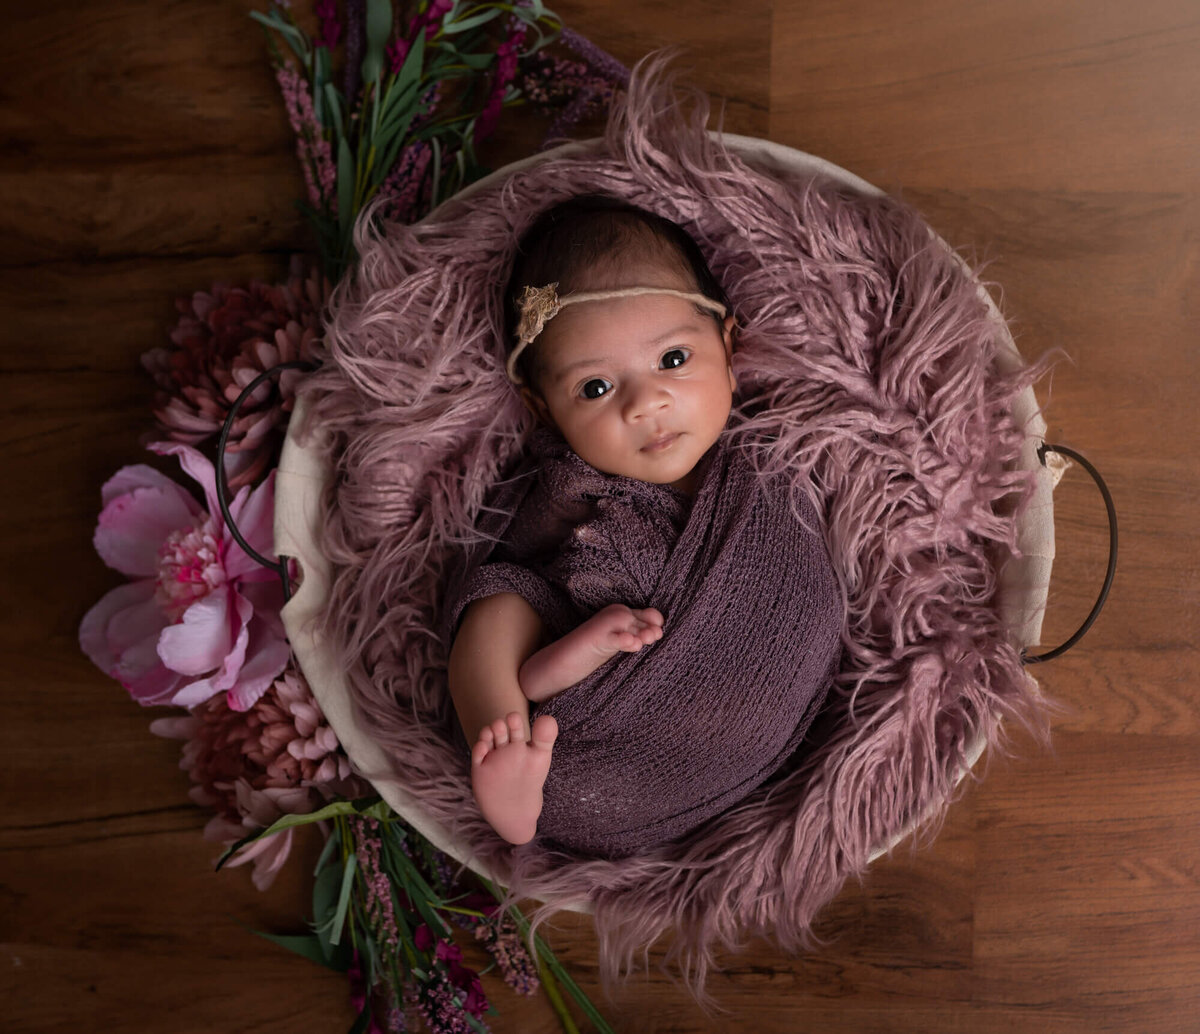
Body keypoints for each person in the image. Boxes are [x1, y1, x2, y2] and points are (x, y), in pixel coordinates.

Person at [446, 194, 741, 845]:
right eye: (596, 388)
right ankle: (502, 752)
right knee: (494, 608)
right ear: (544, 407)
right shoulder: (568, 490)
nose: (646, 403)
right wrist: (591, 642)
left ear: (728, 342)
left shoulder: (763, 481)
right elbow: (533, 673)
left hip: (737, 718)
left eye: (672, 360)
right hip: (575, 744)